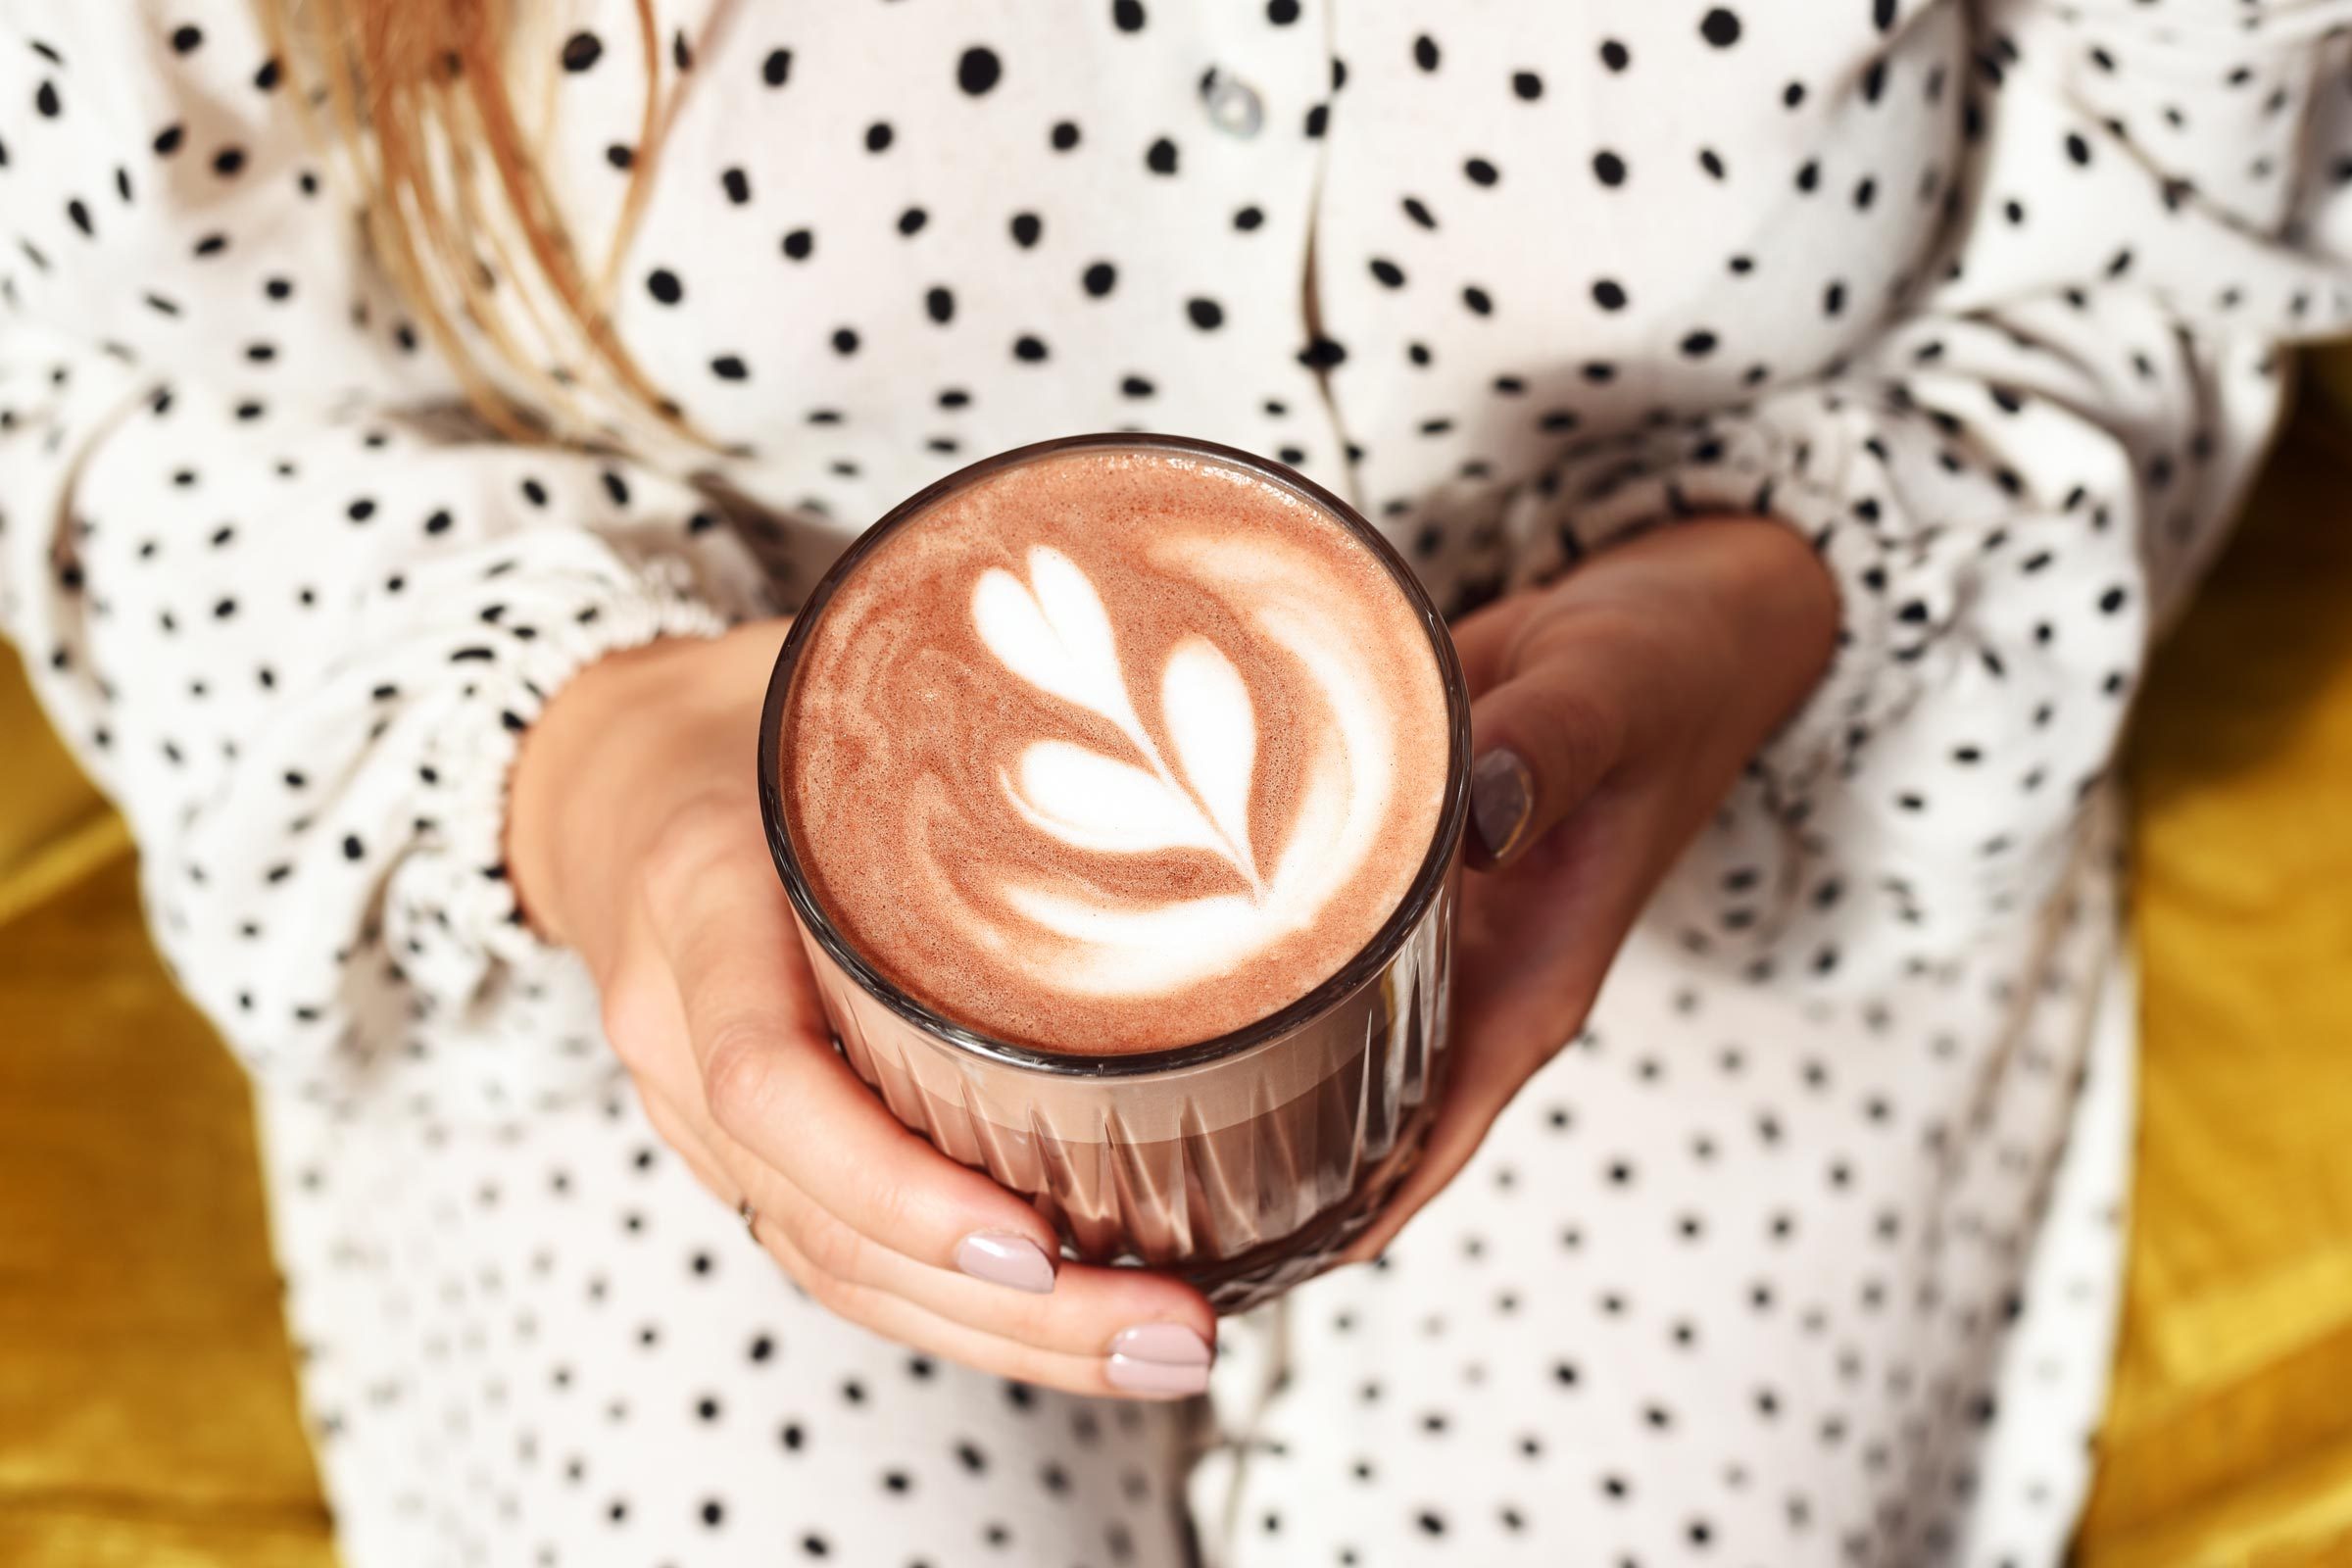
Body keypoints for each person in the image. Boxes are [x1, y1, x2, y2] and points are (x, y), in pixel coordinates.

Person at [3, 1, 2346, 1563]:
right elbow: (117, 378)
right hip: (656, 851)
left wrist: (1747, 619)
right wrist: (596, 767)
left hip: (1759, 805)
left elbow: (2151, 246)